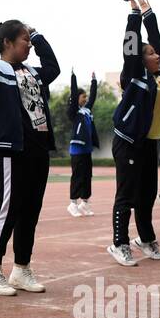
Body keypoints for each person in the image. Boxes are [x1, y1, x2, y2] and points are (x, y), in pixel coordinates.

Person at [0, 19, 60, 296]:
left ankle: (22, 268)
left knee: (31, 209)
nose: (30, 46)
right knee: (8, 206)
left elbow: (53, 68)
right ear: (8, 43)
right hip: (10, 146)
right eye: (25, 40)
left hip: (37, 146)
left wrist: (37, 34)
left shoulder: (32, 71)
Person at [107, 0, 160, 267]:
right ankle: (119, 243)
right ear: (139, 58)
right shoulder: (134, 73)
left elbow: (155, 42)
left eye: (156, 53)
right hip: (128, 141)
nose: (156, 55)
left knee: (147, 195)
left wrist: (150, 14)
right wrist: (134, 16)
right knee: (126, 194)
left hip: (149, 142)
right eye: (150, 54)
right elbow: (132, 45)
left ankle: (145, 239)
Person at [67, 70, 99, 217]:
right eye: (83, 96)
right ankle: (73, 203)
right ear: (76, 98)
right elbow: (73, 95)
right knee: (77, 176)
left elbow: (93, 96)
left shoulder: (87, 111)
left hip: (87, 150)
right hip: (77, 150)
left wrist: (94, 81)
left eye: (86, 96)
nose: (86, 99)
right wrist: (73, 78)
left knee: (87, 176)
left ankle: (84, 203)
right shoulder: (74, 112)